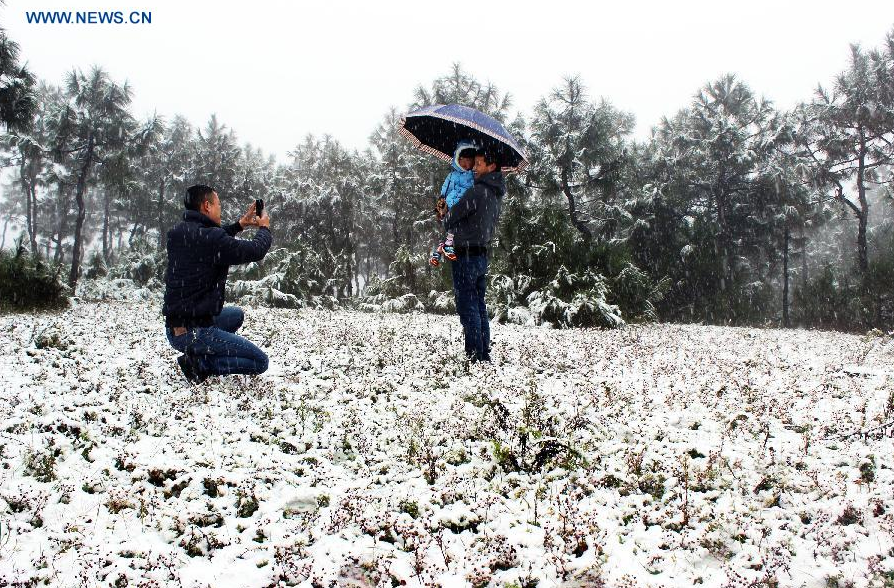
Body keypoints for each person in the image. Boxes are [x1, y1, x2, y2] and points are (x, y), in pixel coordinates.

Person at [162, 184, 273, 383]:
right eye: (218, 205)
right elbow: (256, 250)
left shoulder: (179, 232)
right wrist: (264, 227)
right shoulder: (209, 238)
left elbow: (213, 239)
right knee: (260, 362)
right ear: (207, 206)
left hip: (176, 327)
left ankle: (201, 350)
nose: (220, 209)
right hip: (192, 332)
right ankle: (200, 364)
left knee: (236, 315)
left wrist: (239, 225)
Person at [443, 149, 504, 362]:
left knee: (467, 306)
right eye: (474, 163)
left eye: (479, 164)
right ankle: (483, 351)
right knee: (478, 304)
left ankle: (475, 355)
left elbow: (449, 218)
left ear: (491, 166)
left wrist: (446, 209)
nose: (474, 168)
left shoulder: (476, 192)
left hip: (465, 255)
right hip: (480, 254)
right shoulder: (495, 193)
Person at [430, 142, 477, 266]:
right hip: (452, 204)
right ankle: (445, 247)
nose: (467, 164)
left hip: (464, 206)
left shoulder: (474, 176)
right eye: (463, 161)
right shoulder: (452, 175)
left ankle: (438, 251)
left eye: (470, 161)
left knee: (453, 230)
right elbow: (444, 192)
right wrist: (440, 208)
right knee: (452, 226)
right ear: (458, 159)